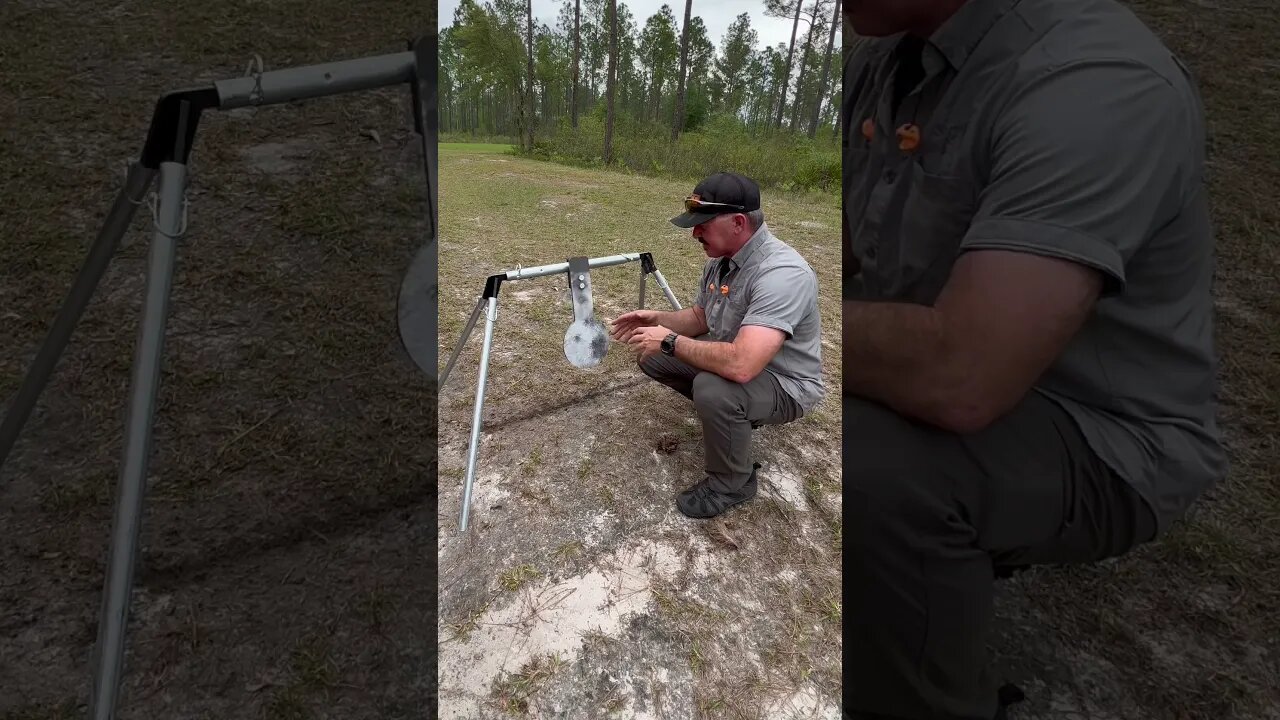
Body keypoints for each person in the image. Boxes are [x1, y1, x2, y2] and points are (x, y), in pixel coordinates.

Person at [841, 0, 1227, 718]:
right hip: (956, 370)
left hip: (1099, 429)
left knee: (866, 464)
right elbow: (844, 250)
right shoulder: (889, 61)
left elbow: (961, 377)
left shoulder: (1095, 81)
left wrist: (787, 331)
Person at [609, 172, 825, 519]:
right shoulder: (721, 261)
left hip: (786, 384)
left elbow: (741, 365)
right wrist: (657, 320)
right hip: (746, 366)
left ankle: (734, 482)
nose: (695, 233)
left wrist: (668, 340)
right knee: (653, 358)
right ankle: (734, 419)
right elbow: (700, 318)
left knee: (714, 387)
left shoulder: (783, 274)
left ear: (739, 223)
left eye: (703, 224)